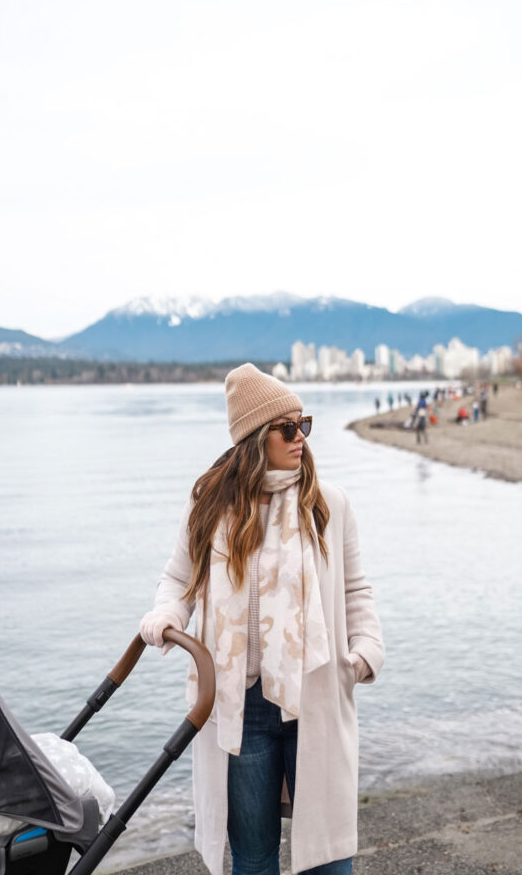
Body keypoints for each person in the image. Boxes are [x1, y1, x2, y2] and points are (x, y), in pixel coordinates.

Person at [139, 364, 385, 875]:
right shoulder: (210, 505)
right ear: (255, 439)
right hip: (239, 707)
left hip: (316, 695)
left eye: (304, 425)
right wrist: (165, 616)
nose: (301, 439)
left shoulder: (328, 504)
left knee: (330, 856)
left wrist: (363, 655)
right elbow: (179, 579)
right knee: (253, 860)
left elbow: (356, 588)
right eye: (288, 429)